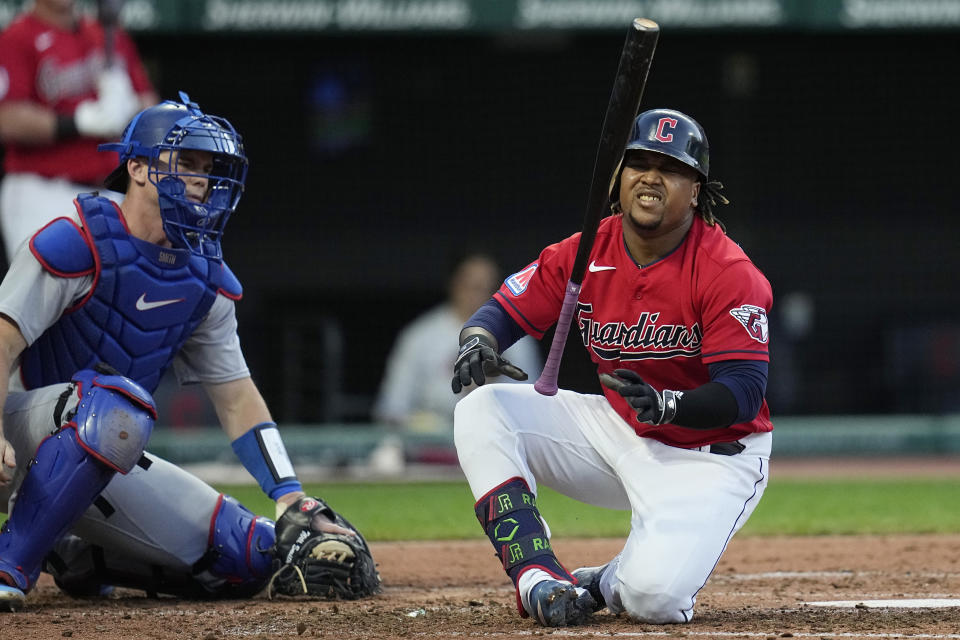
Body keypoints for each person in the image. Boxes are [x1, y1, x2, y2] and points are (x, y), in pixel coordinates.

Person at [0, 93, 378, 611]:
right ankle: (9, 566)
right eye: (187, 164)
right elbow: (2, 338)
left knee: (251, 556)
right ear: (136, 168)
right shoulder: (75, 239)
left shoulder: (205, 279)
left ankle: (77, 552)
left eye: (210, 168)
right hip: (15, 431)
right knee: (114, 408)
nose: (202, 180)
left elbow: (236, 397)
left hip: (99, 445)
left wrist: (289, 494)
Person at [451, 109, 773, 626]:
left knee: (654, 601)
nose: (650, 175)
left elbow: (745, 390)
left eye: (669, 167)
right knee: (483, 409)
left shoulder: (727, 271)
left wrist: (672, 403)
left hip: (710, 456)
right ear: (618, 179)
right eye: (638, 162)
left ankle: (607, 580)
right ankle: (537, 575)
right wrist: (478, 339)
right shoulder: (585, 250)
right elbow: (502, 311)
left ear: (695, 191)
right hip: (619, 431)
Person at [0, 0, 157, 259]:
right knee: (51, 295)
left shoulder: (106, 33)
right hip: (41, 191)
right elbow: (7, 119)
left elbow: (149, 103)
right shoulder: (17, 37)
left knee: (122, 293)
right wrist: (78, 122)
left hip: (109, 193)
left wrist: (129, 105)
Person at [373, 252, 542, 433]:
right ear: (454, 284)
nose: (479, 294)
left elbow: (534, 409)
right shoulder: (420, 337)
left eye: (487, 287)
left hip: (500, 441)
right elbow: (391, 409)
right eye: (473, 286)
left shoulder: (518, 339)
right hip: (433, 449)